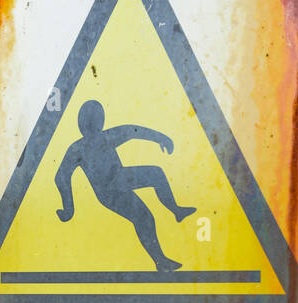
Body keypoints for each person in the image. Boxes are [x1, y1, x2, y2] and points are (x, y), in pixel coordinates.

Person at [54, 100, 195, 272]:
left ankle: (162, 255)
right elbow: (61, 177)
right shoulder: (81, 147)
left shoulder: (85, 145)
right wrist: (69, 208)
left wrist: (68, 208)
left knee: (145, 214)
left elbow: (131, 130)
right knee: (146, 211)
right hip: (110, 189)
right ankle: (165, 244)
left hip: (117, 182)